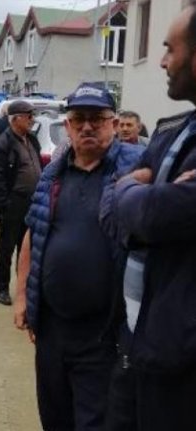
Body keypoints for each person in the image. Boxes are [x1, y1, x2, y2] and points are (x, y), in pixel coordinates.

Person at [15, 83, 143, 431]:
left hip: (104, 335)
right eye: (79, 119)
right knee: (55, 418)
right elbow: (33, 232)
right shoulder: (54, 176)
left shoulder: (135, 174)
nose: (87, 127)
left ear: (114, 125)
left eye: (97, 119)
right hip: (53, 330)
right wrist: (23, 293)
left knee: (94, 422)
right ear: (68, 126)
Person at [101, 4, 196, 429]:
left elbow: (157, 214)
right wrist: (135, 193)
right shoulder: (174, 132)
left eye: (169, 49)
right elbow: (113, 210)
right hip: (135, 342)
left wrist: (138, 195)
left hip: (181, 359)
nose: (161, 61)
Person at [0, 100, 40, 306]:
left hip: (32, 201)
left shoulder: (31, 139)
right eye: (28, 116)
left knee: (27, 247)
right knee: (7, 246)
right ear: (16, 118)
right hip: (13, 203)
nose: (32, 120)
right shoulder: (2, 144)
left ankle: (24, 287)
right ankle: (1, 287)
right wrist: (4, 205)